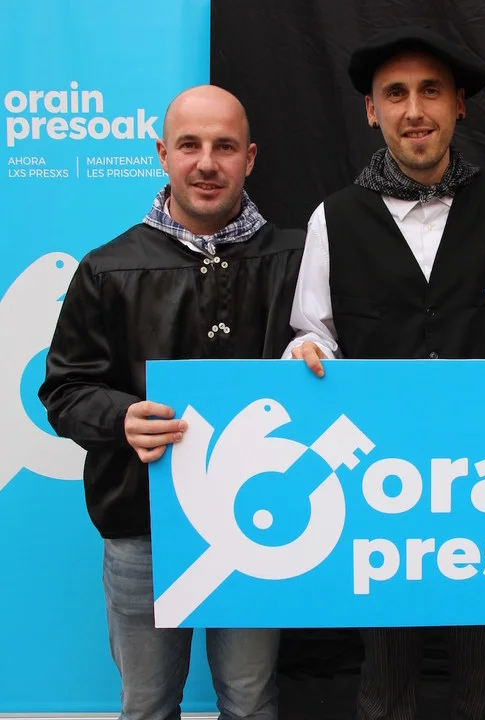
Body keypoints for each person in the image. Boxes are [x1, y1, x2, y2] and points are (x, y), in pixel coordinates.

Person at [285, 26, 485, 720]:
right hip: (379, 481)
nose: (414, 110)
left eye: (431, 91)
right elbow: (314, 333)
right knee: (387, 670)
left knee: (482, 667)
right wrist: (305, 354)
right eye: (395, 94)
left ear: (459, 104)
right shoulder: (333, 218)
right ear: (372, 111)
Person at [39, 85, 304, 720]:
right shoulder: (106, 269)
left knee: (250, 699)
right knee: (148, 704)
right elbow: (64, 390)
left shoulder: (297, 258)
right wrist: (119, 417)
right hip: (143, 527)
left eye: (225, 147)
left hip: (259, 522)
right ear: (163, 154)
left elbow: (336, 359)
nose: (207, 163)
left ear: (250, 158)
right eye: (190, 145)